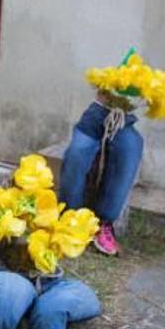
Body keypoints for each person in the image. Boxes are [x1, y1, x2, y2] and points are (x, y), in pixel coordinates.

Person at [59, 91, 143, 256]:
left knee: (132, 148)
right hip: (95, 116)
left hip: (124, 122)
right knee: (76, 153)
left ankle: (104, 223)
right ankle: (70, 217)